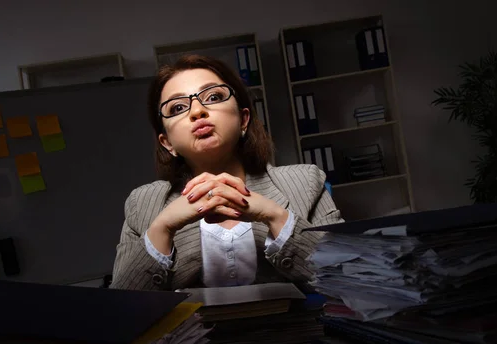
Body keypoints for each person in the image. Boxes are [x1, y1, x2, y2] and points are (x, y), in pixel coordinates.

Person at [111, 54, 343, 291]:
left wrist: (275, 217)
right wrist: (162, 229)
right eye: (178, 107)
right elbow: (122, 310)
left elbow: (350, 279)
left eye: (214, 96)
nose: (197, 111)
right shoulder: (142, 204)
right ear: (167, 142)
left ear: (243, 120)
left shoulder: (305, 182)